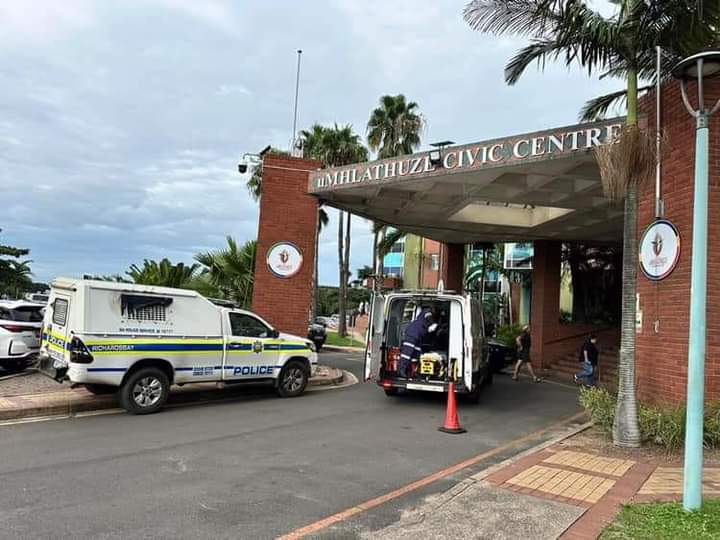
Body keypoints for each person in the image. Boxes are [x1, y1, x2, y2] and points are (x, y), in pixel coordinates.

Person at [399, 308, 438, 378]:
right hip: (412, 334)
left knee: (416, 354)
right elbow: (428, 316)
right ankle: (401, 371)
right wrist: (433, 324)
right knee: (407, 354)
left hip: (418, 337)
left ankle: (413, 371)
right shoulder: (427, 311)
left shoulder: (425, 320)